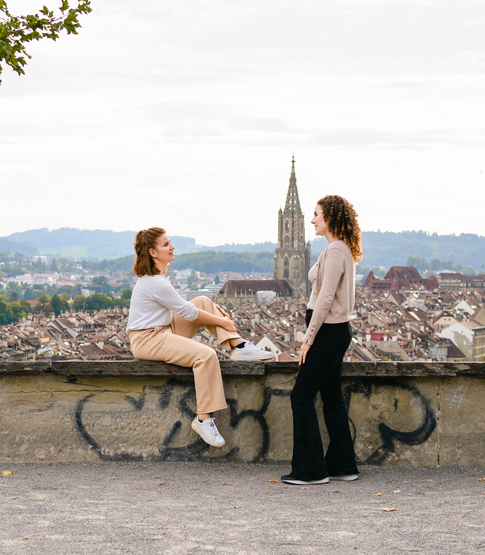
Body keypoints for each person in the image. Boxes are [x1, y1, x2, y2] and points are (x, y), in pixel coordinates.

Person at [128, 227, 276, 448]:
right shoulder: (155, 282)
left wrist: (215, 311)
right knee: (206, 356)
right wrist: (223, 321)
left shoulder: (156, 278)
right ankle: (203, 418)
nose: (172, 247)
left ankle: (239, 346)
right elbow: (187, 312)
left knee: (203, 301)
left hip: (162, 331)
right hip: (147, 340)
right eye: (166, 244)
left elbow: (190, 308)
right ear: (153, 252)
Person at [283, 195, 362, 486]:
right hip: (334, 332)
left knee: (301, 396)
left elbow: (325, 298)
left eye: (316, 214)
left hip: (328, 332)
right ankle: (342, 465)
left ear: (330, 216)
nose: (313, 220)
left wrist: (308, 339)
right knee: (331, 399)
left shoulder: (336, 251)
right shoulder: (339, 250)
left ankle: (312, 470)